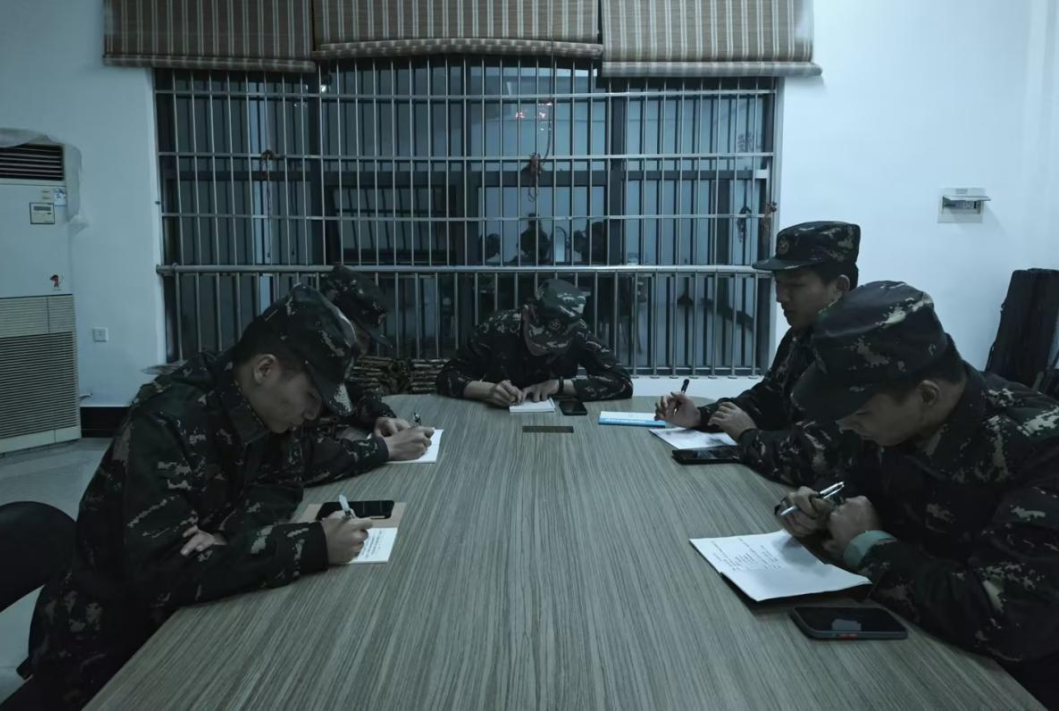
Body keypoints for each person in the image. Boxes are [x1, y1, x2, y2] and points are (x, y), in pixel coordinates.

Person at [28, 286, 375, 710]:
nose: (313, 414)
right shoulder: (165, 421)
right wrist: (313, 544)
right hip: (106, 644)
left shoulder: (265, 409)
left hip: (184, 613)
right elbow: (166, 573)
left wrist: (227, 536)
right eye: (311, 397)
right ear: (265, 369)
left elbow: (283, 482)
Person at [776, 281, 1059, 709]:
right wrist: (820, 507)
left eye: (859, 413)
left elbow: (1010, 622)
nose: (847, 426)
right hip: (908, 645)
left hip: (1005, 686)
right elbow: (854, 483)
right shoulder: (889, 421)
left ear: (927, 395)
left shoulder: (1038, 446)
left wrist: (869, 548)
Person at [656, 221, 861, 485]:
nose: (780, 297)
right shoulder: (802, 335)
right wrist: (701, 416)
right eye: (779, 284)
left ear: (839, 287)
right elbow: (767, 399)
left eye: (795, 285)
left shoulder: (857, 352)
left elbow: (817, 459)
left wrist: (748, 435)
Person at [303, 265, 434, 482]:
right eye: (359, 337)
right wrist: (386, 448)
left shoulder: (319, 363)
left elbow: (351, 395)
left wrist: (381, 417)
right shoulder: (293, 363)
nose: (362, 351)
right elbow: (295, 458)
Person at [436, 279, 632, 405]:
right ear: (526, 314)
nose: (544, 349)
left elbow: (622, 382)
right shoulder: (498, 327)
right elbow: (446, 377)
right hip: (497, 419)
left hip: (558, 422)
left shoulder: (577, 333)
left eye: (554, 347)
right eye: (538, 341)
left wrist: (559, 385)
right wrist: (488, 391)